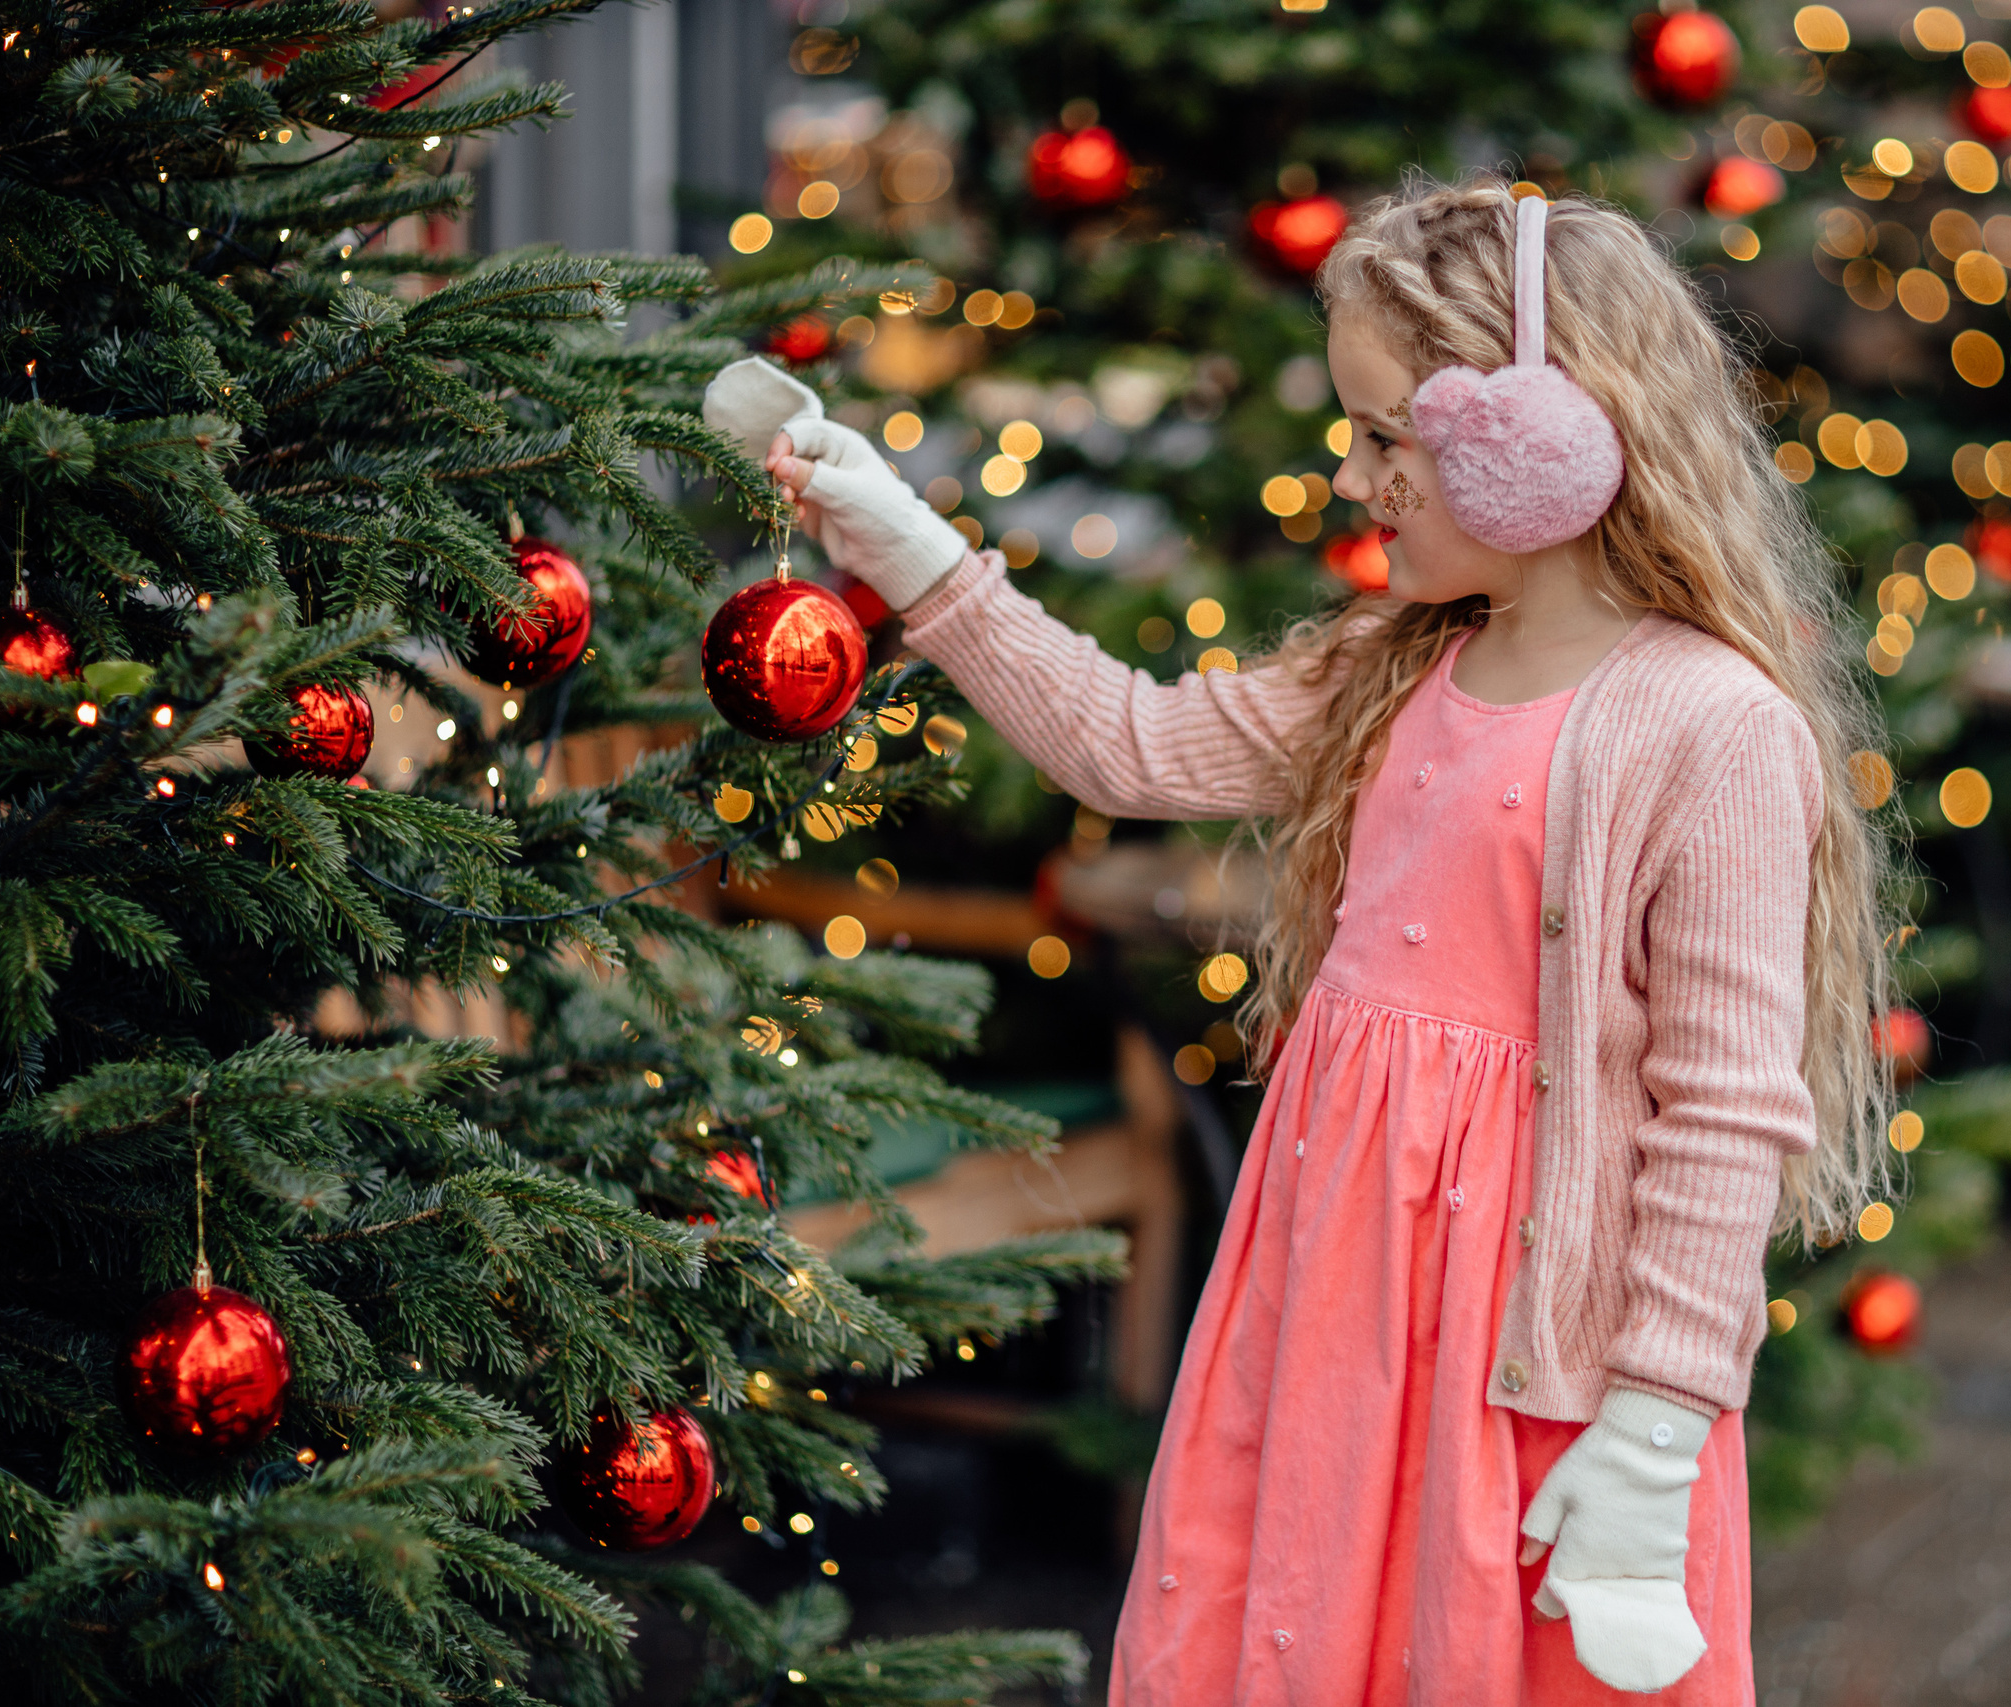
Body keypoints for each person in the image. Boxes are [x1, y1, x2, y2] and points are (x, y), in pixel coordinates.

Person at [705, 176, 1895, 1707]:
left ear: (1552, 436)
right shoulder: (1390, 671)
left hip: (1523, 1354)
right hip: (1333, 1290)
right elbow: (1124, 747)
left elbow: (1725, 1113)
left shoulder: (1710, 729)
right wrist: (895, 532)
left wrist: (1656, 1431)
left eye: (1389, 436)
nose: (1354, 477)